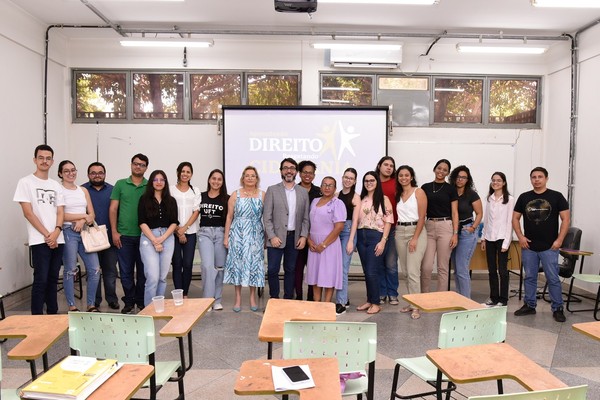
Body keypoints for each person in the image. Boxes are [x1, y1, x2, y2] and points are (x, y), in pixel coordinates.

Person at [513, 167, 570, 322]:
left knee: (552, 278)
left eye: (540, 177)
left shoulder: (556, 196)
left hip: (550, 246)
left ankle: (557, 308)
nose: (536, 179)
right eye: (533, 177)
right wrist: (520, 237)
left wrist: (559, 240)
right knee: (530, 277)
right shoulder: (524, 197)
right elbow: (515, 218)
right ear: (530, 179)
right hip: (529, 246)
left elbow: (566, 219)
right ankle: (530, 305)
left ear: (546, 178)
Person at [14, 144, 65, 315]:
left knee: (53, 279)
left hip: (58, 239)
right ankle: (36, 318)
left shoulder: (56, 185)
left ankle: (53, 315)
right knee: (41, 280)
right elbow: (28, 213)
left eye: (48, 158)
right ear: (35, 160)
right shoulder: (25, 182)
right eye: (41, 158)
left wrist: (56, 232)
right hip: (39, 239)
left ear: (52, 161)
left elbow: (60, 211)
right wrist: (47, 235)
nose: (44, 161)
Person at [263, 158, 310, 300]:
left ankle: (288, 299)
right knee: (272, 270)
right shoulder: (272, 190)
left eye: (292, 168)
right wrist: (272, 236)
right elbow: (267, 217)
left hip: (294, 238)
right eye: (285, 168)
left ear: (296, 171)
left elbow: (306, 218)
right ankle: (274, 299)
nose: (289, 170)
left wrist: (303, 236)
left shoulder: (302, 192)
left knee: (291, 270)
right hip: (276, 238)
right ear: (281, 171)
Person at [57, 160, 100, 312]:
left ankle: (91, 304)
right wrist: (82, 216)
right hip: (68, 232)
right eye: (66, 171)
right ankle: (72, 306)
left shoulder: (83, 190)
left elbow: (92, 214)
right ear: (60, 174)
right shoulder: (58, 190)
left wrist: (82, 221)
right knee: (70, 270)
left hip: (85, 232)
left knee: (95, 269)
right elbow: (60, 215)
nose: (71, 173)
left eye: (73, 170)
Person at [110, 153, 149, 314]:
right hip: (124, 236)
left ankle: (140, 301)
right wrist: (114, 232)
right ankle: (129, 300)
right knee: (125, 272)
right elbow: (113, 209)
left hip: (144, 236)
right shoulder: (120, 184)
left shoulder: (150, 186)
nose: (138, 166)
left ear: (146, 167)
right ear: (131, 165)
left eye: (141, 164)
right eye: (135, 163)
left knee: (143, 272)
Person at [224, 166, 265, 312]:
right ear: (243, 178)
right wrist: (226, 237)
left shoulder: (262, 195)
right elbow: (229, 217)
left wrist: (266, 237)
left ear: (256, 178)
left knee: (254, 265)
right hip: (238, 234)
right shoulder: (235, 194)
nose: (249, 178)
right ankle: (238, 298)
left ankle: (253, 297)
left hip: (255, 235)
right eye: (247, 175)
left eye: (253, 175)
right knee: (238, 265)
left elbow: (266, 217)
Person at [82, 162, 120, 310]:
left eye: (100, 172)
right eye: (93, 173)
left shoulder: (113, 190)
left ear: (104, 174)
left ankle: (112, 299)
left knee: (110, 271)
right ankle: (95, 301)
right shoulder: (82, 190)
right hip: (89, 238)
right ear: (88, 174)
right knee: (93, 271)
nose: (97, 175)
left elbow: (117, 211)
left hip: (110, 238)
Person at [138, 170, 179, 307]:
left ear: (165, 182)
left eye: (162, 179)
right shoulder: (144, 199)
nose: (159, 182)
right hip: (148, 238)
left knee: (162, 278)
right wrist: (155, 240)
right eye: (156, 179)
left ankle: (159, 307)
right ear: (151, 182)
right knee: (153, 277)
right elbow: (142, 222)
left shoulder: (171, 200)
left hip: (167, 238)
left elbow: (174, 222)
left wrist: (162, 238)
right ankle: (149, 309)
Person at [355, 171, 393, 315]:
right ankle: (370, 300)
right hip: (361, 236)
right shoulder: (361, 199)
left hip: (376, 237)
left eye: (372, 180)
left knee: (372, 271)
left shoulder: (384, 199)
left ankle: (376, 303)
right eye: (366, 181)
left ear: (377, 182)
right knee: (367, 272)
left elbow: (388, 221)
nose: (369, 183)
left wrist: (383, 241)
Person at [420, 159, 459, 293]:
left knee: (442, 267)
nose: (441, 171)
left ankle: (441, 298)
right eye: (439, 168)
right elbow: (421, 209)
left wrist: (455, 233)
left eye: (444, 170)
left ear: (448, 173)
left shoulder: (451, 189)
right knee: (426, 266)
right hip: (429, 226)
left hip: (445, 226)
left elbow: (455, 212)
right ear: (434, 169)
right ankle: (424, 297)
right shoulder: (425, 187)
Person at [395, 165, 427, 320]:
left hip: (416, 231)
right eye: (400, 175)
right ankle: (411, 301)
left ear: (412, 177)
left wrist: (414, 238)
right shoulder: (398, 194)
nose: (403, 178)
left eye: (406, 175)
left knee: (413, 272)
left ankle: (416, 307)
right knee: (406, 272)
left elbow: (422, 217)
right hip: (400, 232)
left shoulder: (418, 192)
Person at [306, 177, 346, 303]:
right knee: (315, 274)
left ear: (335, 188)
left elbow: (339, 227)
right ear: (321, 187)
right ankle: (316, 303)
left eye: (330, 185)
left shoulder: (338, 203)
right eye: (324, 185)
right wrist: (309, 240)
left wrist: (323, 245)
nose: (327, 187)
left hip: (329, 244)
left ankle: (326, 304)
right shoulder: (314, 201)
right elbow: (308, 223)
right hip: (313, 244)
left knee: (328, 274)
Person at [449, 165, 483, 298]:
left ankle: (466, 301)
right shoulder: (450, 192)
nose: (460, 180)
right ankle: (460, 297)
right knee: (457, 269)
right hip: (453, 232)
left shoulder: (471, 194)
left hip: (466, 232)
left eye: (463, 177)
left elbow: (479, 213)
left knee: (462, 268)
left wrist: (473, 227)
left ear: (468, 179)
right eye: (458, 177)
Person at [481, 172, 514, 307]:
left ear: (504, 183)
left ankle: (503, 299)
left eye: (499, 180)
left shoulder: (510, 199)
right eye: (493, 180)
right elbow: (487, 220)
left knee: (502, 270)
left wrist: (506, 242)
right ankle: (493, 297)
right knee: (492, 270)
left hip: (502, 238)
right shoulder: (489, 198)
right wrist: (483, 238)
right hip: (489, 238)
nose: (496, 182)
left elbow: (510, 222)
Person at [198, 169, 229, 311]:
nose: (216, 181)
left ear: (222, 182)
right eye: (213, 178)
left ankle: (216, 300)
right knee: (207, 267)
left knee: (219, 268)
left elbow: (230, 219)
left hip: (221, 233)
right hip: (205, 233)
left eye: (219, 179)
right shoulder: (200, 196)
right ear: (209, 180)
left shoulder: (227, 199)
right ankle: (207, 300)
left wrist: (227, 237)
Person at [171, 162, 200, 298]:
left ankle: (185, 294)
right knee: (177, 264)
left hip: (191, 232)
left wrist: (184, 228)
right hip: (173, 232)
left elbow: (196, 211)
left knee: (187, 264)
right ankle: (178, 293)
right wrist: (178, 230)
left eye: (188, 172)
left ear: (191, 174)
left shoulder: (195, 190)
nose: (185, 174)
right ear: (178, 172)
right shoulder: (171, 190)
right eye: (183, 171)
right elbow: (168, 211)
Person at [294, 160, 321, 301]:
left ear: (314, 175)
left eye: (310, 173)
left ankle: (312, 298)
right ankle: (298, 296)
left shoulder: (320, 192)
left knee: (313, 270)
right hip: (298, 236)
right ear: (299, 173)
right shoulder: (293, 190)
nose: (307, 175)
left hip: (315, 238)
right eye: (304, 172)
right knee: (297, 269)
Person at [335, 167, 360, 315]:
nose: (348, 180)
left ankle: (341, 303)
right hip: (336, 231)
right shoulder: (337, 195)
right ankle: (344, 297)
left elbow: (356, 220)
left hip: (348, 232)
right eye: (346, 177)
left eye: (351, 178)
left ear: (355, 181)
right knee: (336, 267)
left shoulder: (355, 197)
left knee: (343, 268)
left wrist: (351, 240)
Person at [376, 156, 399, 305]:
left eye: (391, 165)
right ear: (379, 166)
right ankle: (381, 292)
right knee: (378, 263)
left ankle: (392, 293)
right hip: (376, 229)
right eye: (386, 164)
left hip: (393, 228)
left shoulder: (396, 183)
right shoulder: (372, 181)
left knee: (391, 263)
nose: (389, 167)